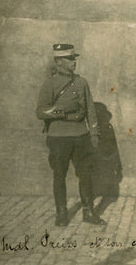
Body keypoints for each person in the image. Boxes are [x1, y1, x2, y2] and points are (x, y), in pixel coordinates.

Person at [36, 44, 106, 226]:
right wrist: (63, 112)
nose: (74, 62)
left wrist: (94, 134)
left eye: (74, 58)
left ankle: (88, 212)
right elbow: (41, 112)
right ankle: (61, 213)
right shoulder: (50, 84)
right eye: (69, 58)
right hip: (58, 137)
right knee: (59, 174)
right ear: (59, 61)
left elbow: (90, 109)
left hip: (81, 136)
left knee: (85, 174)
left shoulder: (82, 83)